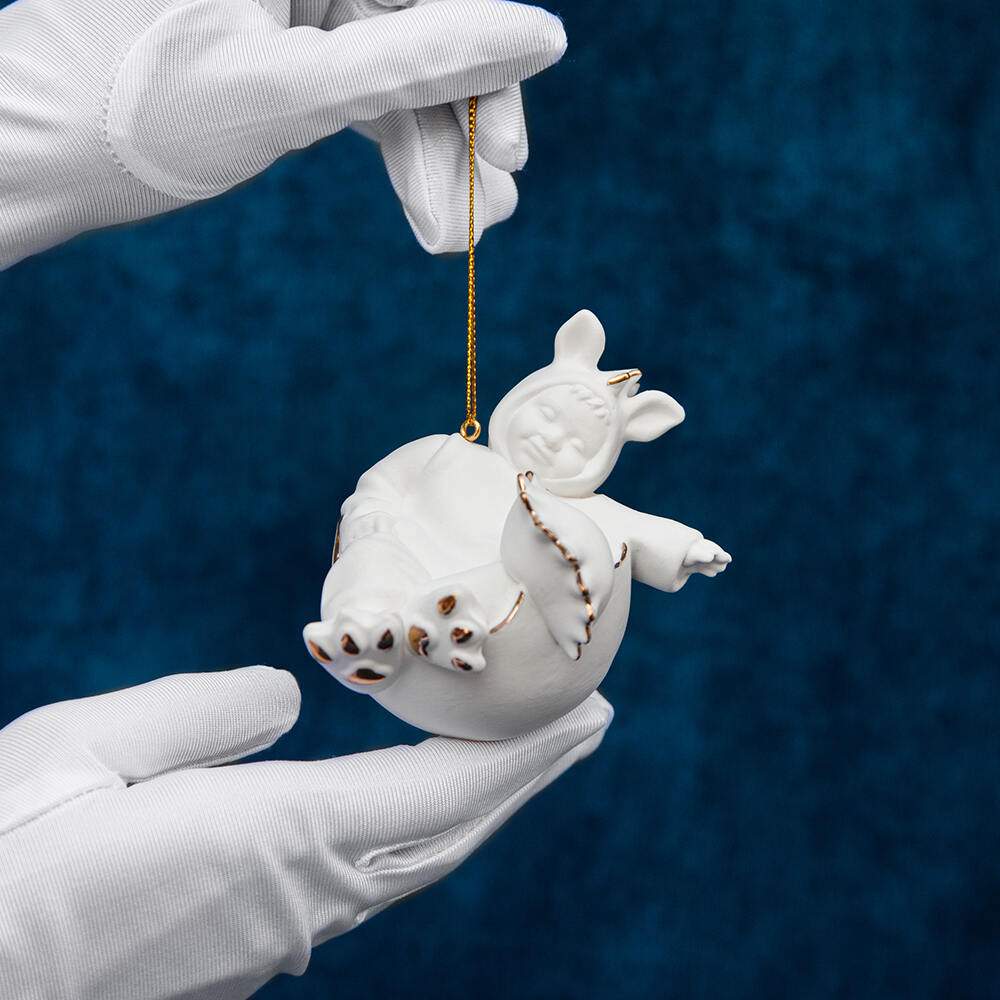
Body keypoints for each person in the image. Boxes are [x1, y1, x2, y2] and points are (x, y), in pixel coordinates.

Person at [0, 1, 614, 997]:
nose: (555, 442)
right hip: (394, 568)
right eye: (554, 414)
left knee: (480, 573)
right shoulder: (446, 459)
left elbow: (633, 541)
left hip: (497, 603)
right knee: (374, 561)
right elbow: (381, 498)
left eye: (581, 443)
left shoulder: (550, 500)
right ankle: (377, 626)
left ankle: (428, 627)